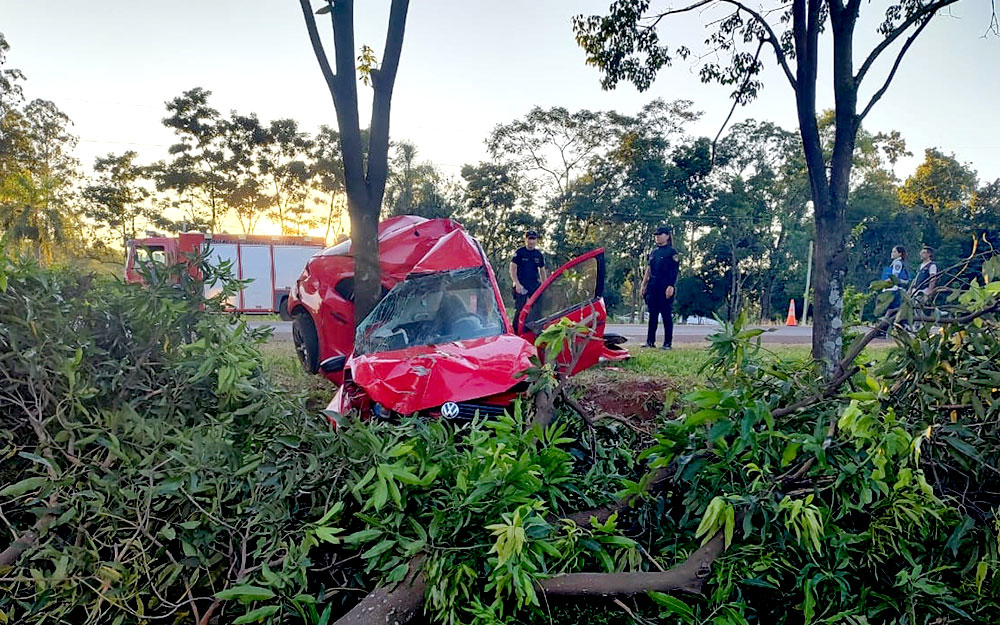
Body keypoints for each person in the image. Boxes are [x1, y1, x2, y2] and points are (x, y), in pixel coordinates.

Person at [640, 226, 680, 349]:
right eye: (656, 235)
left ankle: (667, 343)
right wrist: (643, 284)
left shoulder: (672, 252)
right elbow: (649, 268)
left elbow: (674, 270)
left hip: (665, 285)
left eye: (660, 234)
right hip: (653, 286)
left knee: (666, 315)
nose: (657, 237)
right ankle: (650, 341)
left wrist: (671, 286)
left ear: (667, 236)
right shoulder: (653, 252)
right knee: (652, 315)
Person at [509, 230, 548, 331]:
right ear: (526, 240)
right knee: (520, 310)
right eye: (529, 239)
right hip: (521, 284)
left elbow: (542, 270)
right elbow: (512, 269)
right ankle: (516, 331)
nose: (531, 241)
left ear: (536, 240)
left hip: (534, 285)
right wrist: (517, 284)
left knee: (537, 309)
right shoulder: (519, 252)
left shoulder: (538, 254)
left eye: (533, 239)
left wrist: (545, 285)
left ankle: (535, 330)